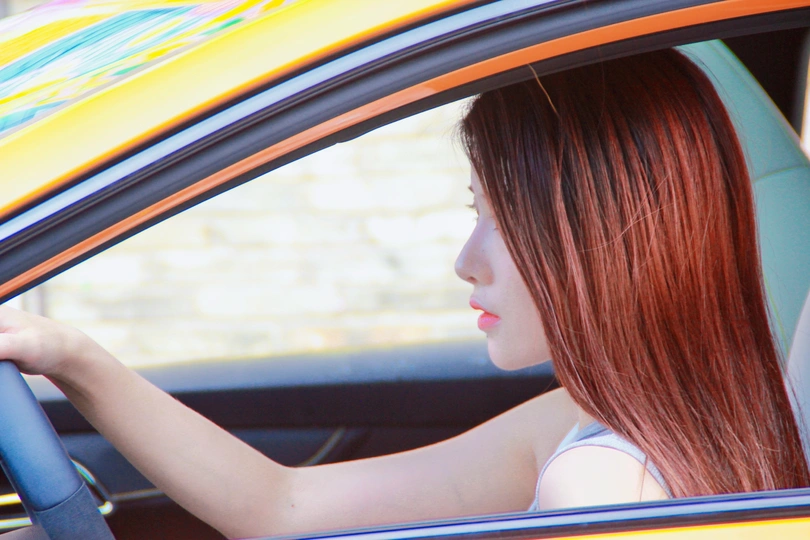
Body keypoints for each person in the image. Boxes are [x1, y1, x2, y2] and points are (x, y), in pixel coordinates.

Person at [0, 48, 808, 539]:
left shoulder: (598, 483)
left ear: (602, 240)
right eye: (474, 214)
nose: (466, 261)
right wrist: (71, 357)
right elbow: (282, 506)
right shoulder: (648, 417)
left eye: (502, 219)